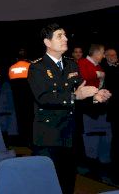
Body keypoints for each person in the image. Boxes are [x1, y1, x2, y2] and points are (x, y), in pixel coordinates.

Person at [27, 23, 111, 194]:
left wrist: (94, 98)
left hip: (70, 134)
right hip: (48, 137)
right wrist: (75, 96)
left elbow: (80, 95)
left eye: (65, 35)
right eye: (59, 35)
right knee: (47, 185)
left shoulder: (72, 64)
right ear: (47, 42)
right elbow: (44, 98)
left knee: (67, 184)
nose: (65, 38)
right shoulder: (37, 67)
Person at [8, 48, 33, 146]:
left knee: (20, 119)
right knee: (30, 119)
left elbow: (12, 83)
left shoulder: (12, 68)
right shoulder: (31, 66)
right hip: (29, 98)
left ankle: (23, 139)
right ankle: (29, 140)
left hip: (17, 99)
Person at [102, 48, 119, 182]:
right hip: (115, 109)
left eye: (114, 55)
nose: (113, 57)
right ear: (105, 57)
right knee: (116, 139)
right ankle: (114, 169)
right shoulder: (104, 70)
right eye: (110, 55)